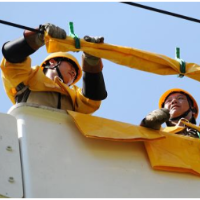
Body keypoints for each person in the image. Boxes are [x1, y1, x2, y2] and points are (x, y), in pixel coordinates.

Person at [0, 23, 107, 114]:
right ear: (52, 62)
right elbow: (11, 62)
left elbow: (92, 100)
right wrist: (38, 36)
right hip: (31, 132)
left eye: (76, 73)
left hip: (60, 137)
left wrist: (92, 61)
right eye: (70, 65)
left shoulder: (74, 96)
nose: (74, 73)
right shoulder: (29, 78)